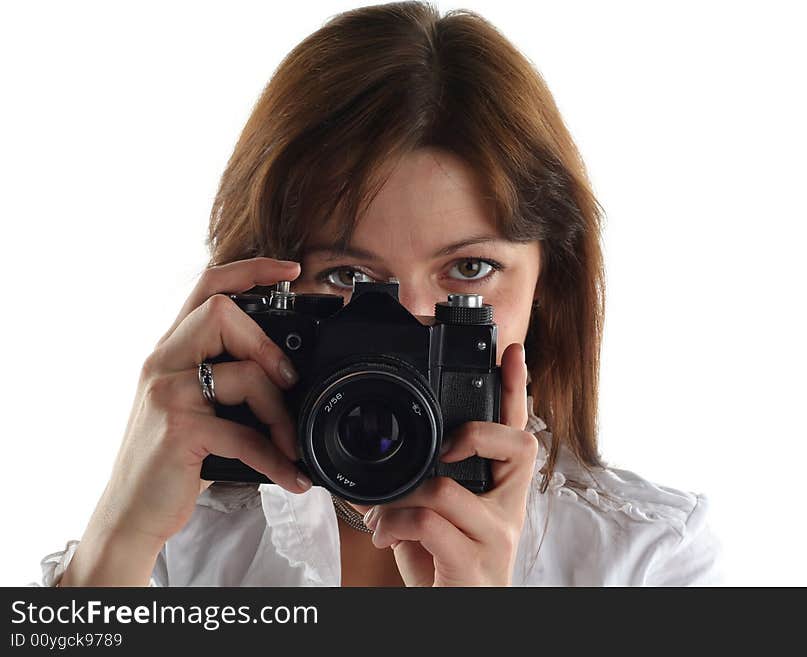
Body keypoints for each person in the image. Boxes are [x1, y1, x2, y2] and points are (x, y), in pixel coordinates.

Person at [38, 2, 722, 587]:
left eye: (471, 272)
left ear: (550, 290)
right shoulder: (180, 547)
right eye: (348, 280)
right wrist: (112, 549)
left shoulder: (644, 561)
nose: (402, 326)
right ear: (263, 298)